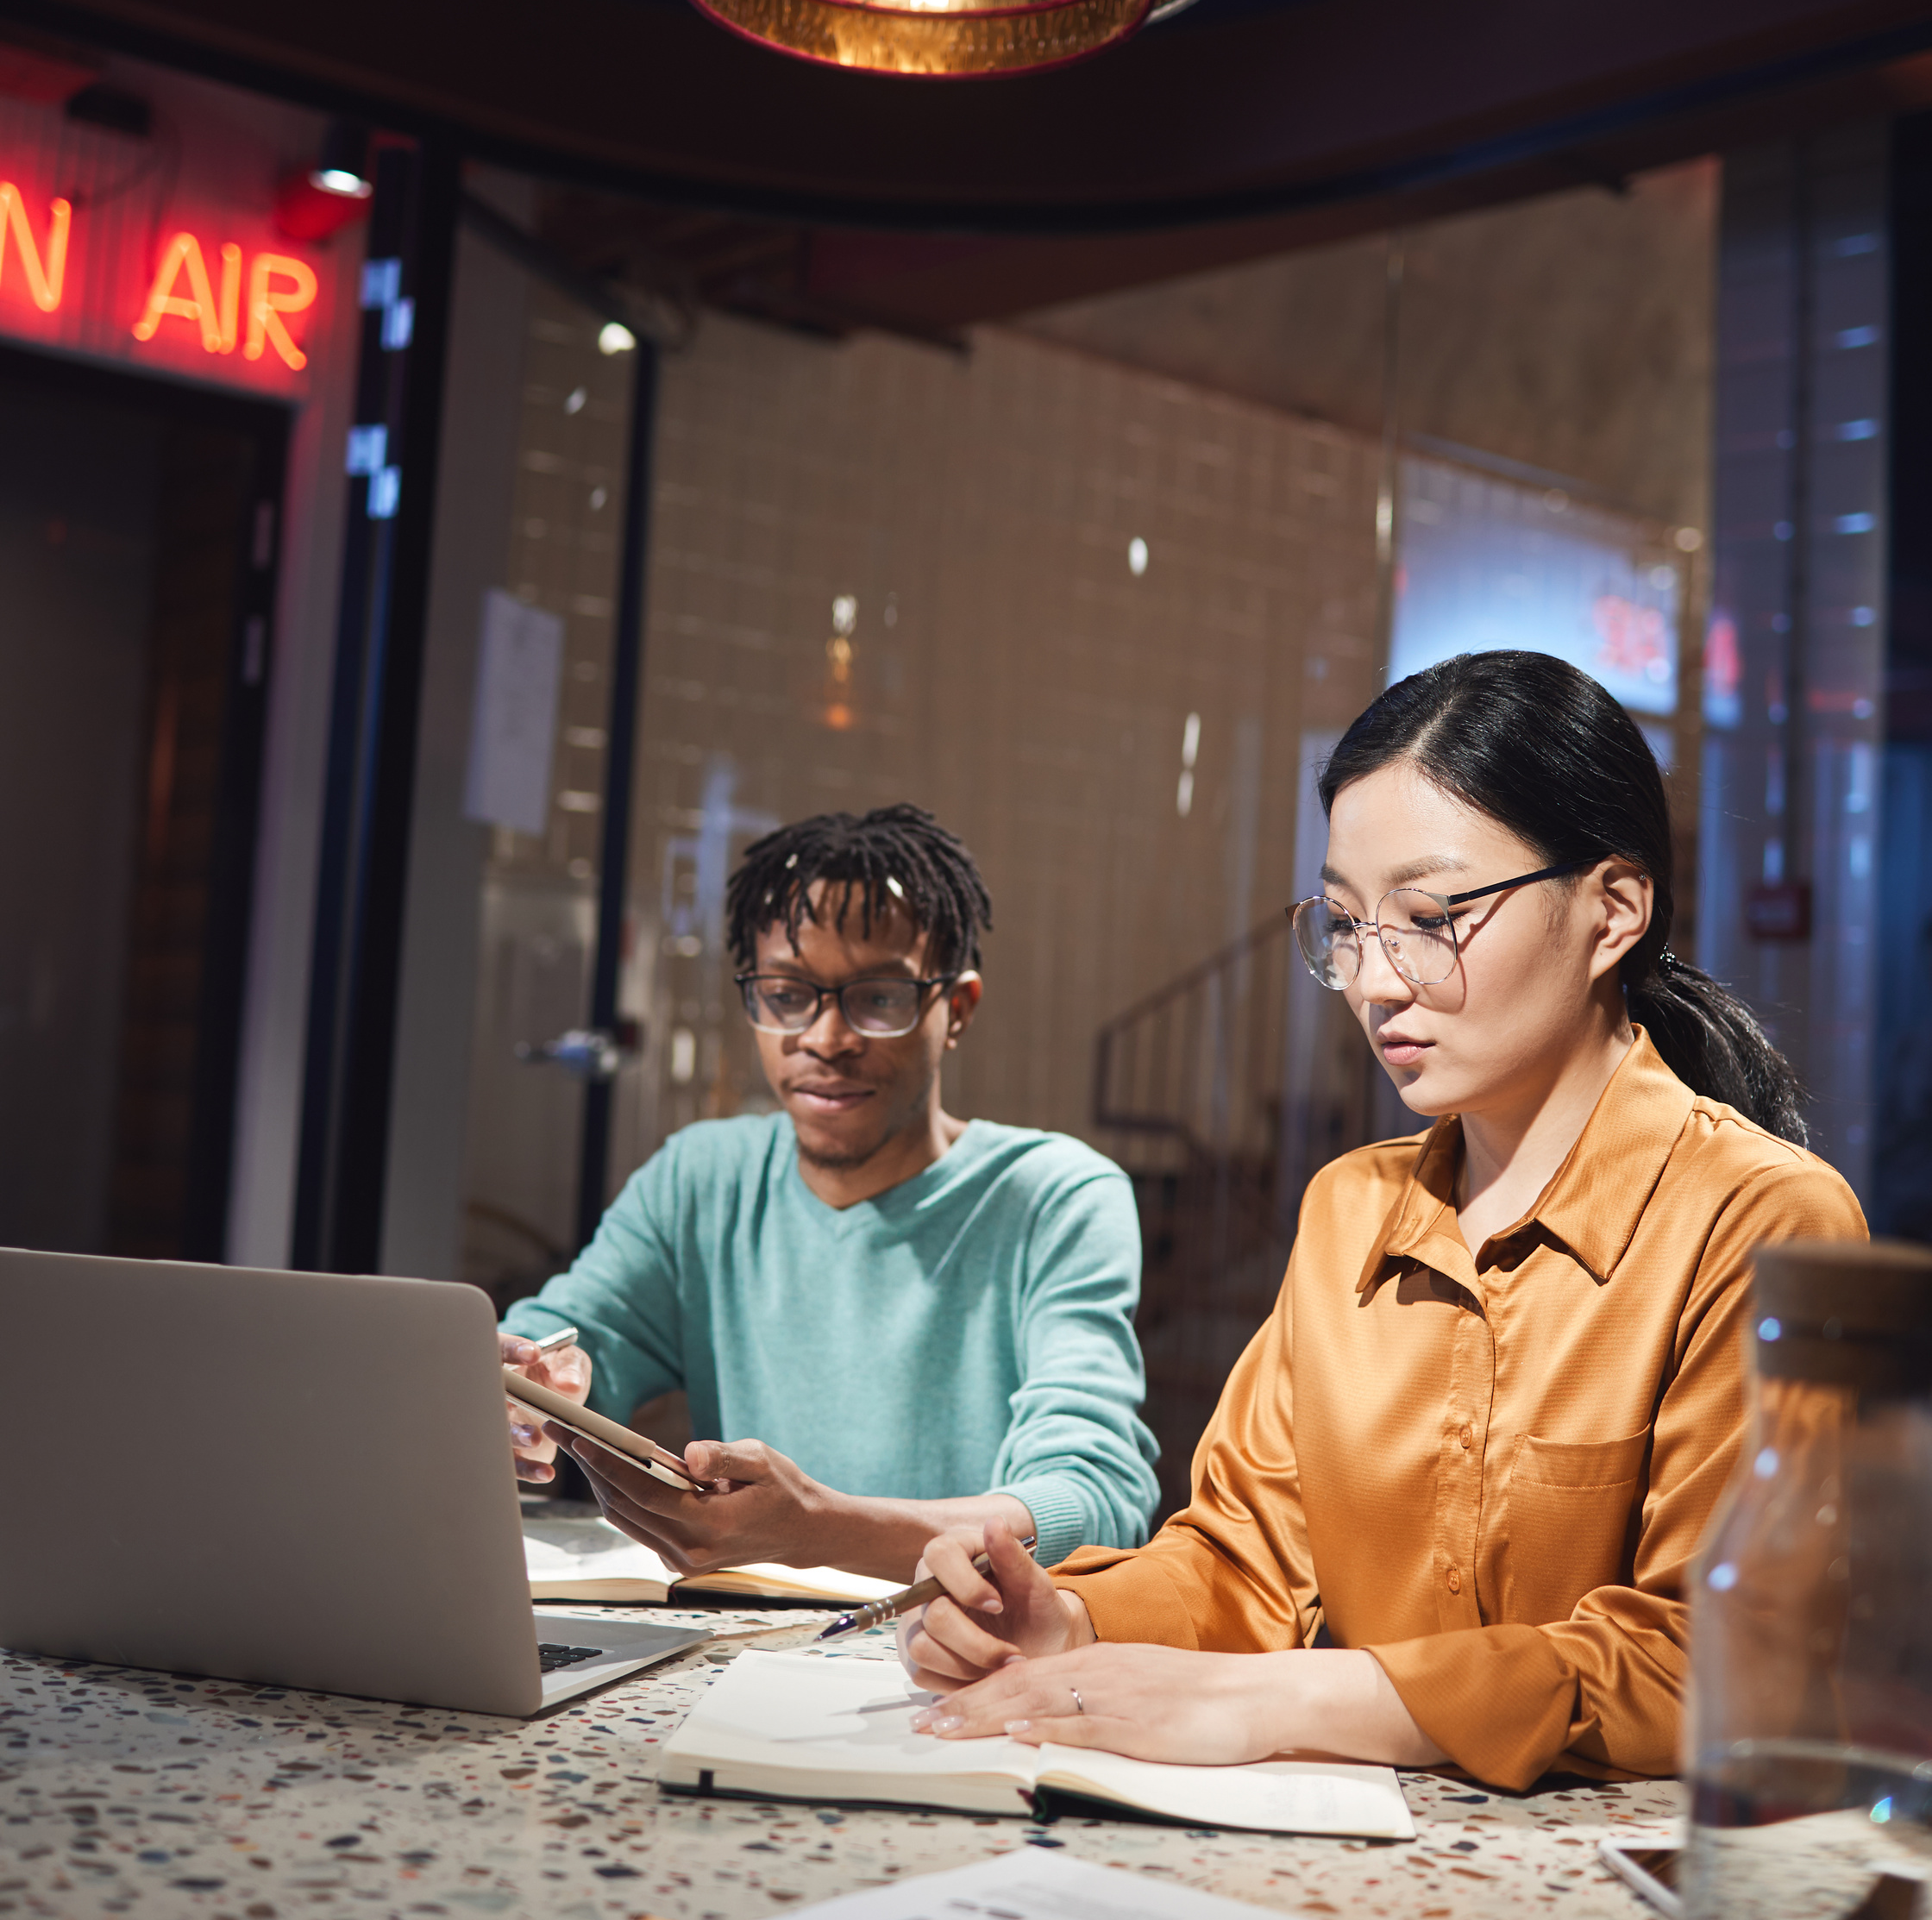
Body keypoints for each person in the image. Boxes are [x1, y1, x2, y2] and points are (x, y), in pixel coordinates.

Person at [901, 651, 1866, 1792]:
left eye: (1427, 915)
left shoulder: (1761, 1220)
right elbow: (1242, 1560)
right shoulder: (1349, 1209)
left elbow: (1725, 1661)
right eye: (1347, 924)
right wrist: (1065, 1619)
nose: (1374, 980)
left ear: (1613, 911)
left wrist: (1285, 1700)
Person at [502, 802, 1157, 1580]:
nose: (824, 1038)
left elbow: (1092, 1502)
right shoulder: (704, 1178)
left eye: (878, 998)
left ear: (957, 1011)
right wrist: (532, 1383)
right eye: (786, 994)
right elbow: (578, 1330)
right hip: (734, 1645)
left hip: (952, 1654)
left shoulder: (1056, 1197)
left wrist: (816, 1531)